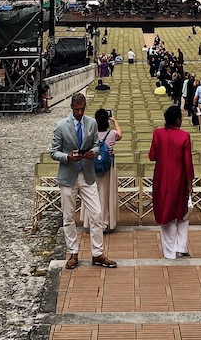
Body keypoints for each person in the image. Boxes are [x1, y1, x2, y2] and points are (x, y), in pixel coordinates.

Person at [50, 92, 117, 269]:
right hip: (69, 175)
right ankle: (73, 252)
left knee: (96, 214)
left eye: (82, 109)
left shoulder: (92, 123)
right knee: (68, 216)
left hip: (87, 174)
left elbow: (96, 144)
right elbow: (53, 152)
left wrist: (92, 153)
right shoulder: (61, 126)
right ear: (72, 108)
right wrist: (67, 157)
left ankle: (98, 253)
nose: (80, 112)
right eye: (77, 109)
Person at [148, 105, 194, 259]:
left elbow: (152, 156)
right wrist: (189, 182)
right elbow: (188, 163)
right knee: (182, 212)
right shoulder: (184, 136)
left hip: (161, 177)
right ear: (178, 120)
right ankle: (181, 246)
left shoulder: (157, 134)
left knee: (165, 211)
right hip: (179, 178)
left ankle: (170, 251)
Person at [83, 109, 122, 233]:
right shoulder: (112, 134)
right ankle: (105, 223)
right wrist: (115, 121)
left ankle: (92, 222)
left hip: (92, 166)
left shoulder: (91, 134)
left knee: (91, 194)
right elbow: (120, 135)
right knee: (106, 195)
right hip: (107, 167)